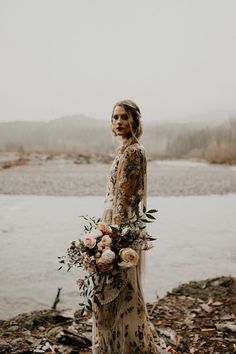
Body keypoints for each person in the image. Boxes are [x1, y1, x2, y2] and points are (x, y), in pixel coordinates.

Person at [92, 99, 158, 354]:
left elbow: (124, 198)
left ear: (135, 121)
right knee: (115, 287)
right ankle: (117, 341)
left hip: (121, 226)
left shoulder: (133, 152)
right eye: (115, 117)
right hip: (113, 221)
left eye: (124, 117)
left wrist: (113, 239)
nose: (118, 122)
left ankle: (126, 345)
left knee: (120, 286)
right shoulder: (125, 150)